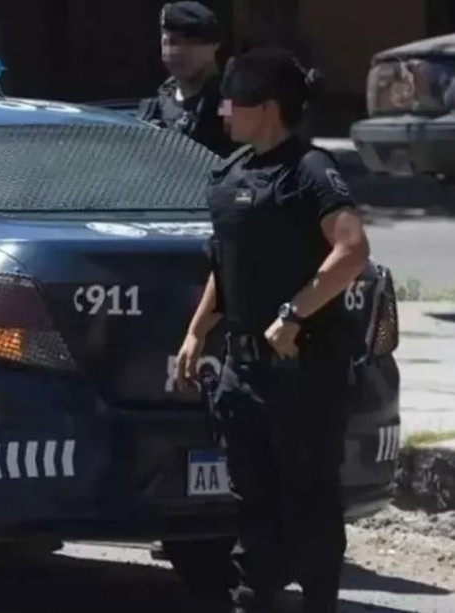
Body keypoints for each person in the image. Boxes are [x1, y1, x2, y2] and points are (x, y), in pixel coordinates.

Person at [175, 47, 371, 613]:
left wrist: (294, 314)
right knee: (251, 498)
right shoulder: (235, 172)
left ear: (266, 108)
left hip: (302, 369)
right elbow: (225, 266)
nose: (223, 112)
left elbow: (352, 250)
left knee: (307, 497)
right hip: (243, 371)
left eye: (233, 101)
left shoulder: (309, 171)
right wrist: (195, 332)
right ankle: (253, 599)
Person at [138, 1, 236, 158]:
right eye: (171, 42)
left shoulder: (227, 102)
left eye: (192, 44)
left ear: (214, 45)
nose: (179, 53)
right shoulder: (161, 101)